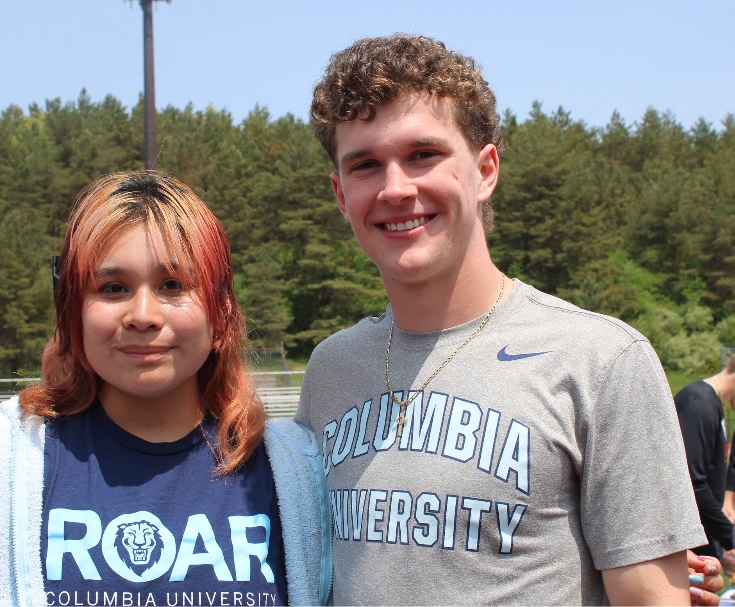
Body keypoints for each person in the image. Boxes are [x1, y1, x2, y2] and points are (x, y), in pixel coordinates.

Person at [295, 33, 715, 605]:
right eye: (366, 165)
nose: (396, 188)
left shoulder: (601, 361)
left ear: (486, 169)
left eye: (423, 154)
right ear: (341, 195)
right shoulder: (331, 368)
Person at [0, 172, 332, 606]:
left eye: (173, 285)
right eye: (113, 288)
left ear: (220, 314)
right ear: (73, 313)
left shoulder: (296, 473)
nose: (142, 314)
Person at [676, 355, 735, 564]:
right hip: (685, 547)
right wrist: (731, 538)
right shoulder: (701, 405)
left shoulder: (711, 403)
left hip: (701, 540)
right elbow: (694, 485)